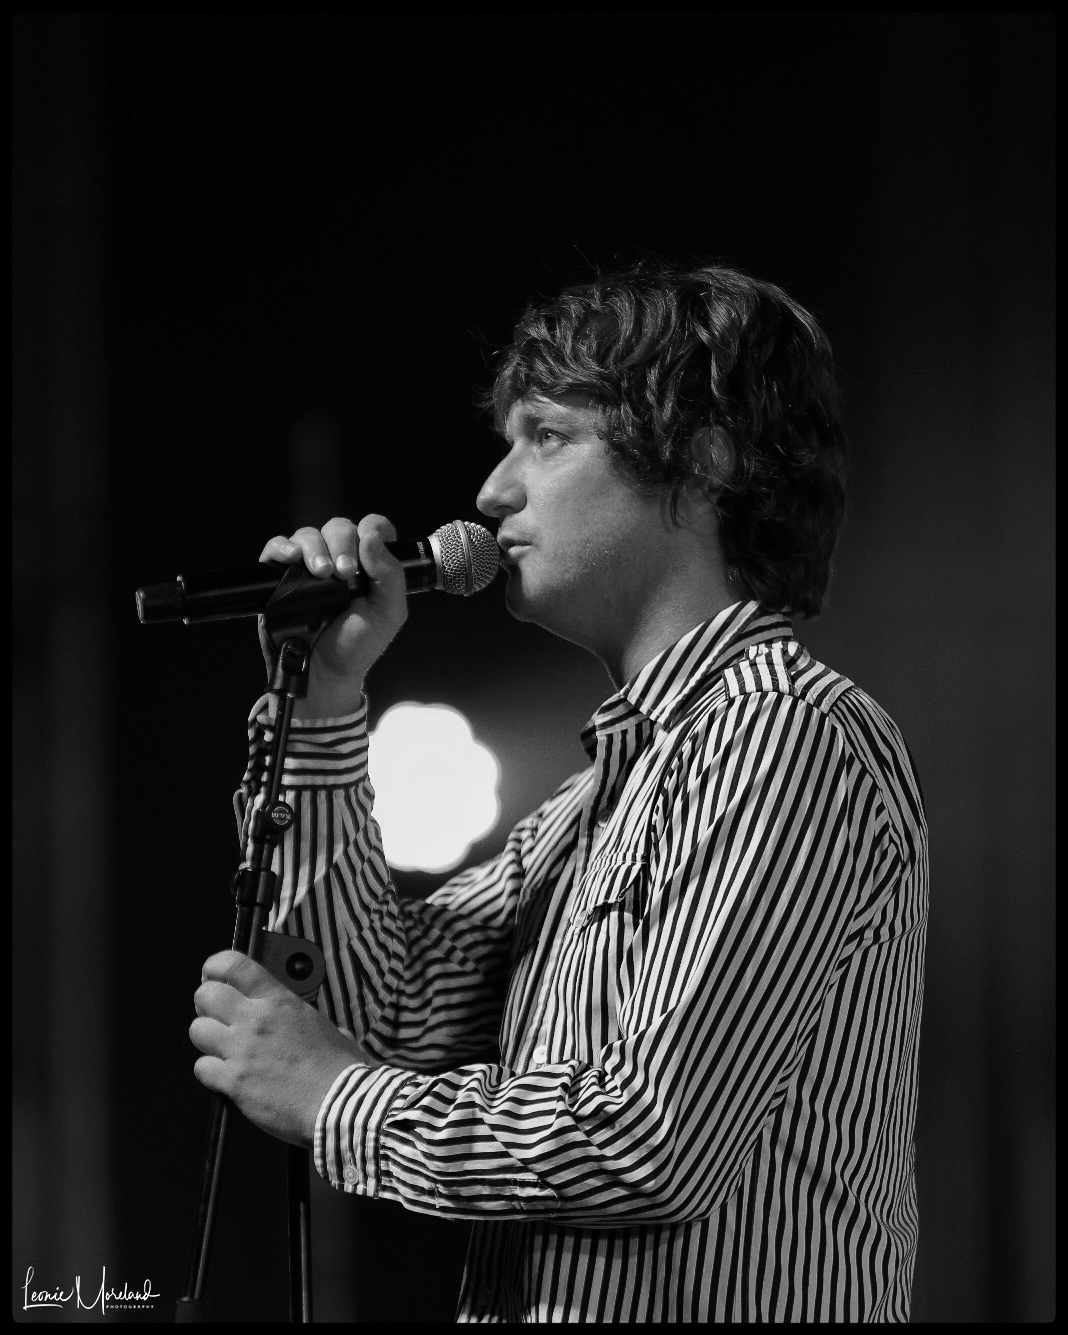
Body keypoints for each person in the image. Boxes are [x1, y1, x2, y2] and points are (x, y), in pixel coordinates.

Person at [189, 261, 928, 1322]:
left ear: (704, 458)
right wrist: (323, 706)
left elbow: (651, 1138)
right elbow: (375, 1009)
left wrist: (338, 1098)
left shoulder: (782, 730)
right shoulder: (594, 804)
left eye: (546, 435)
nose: (491, 492)